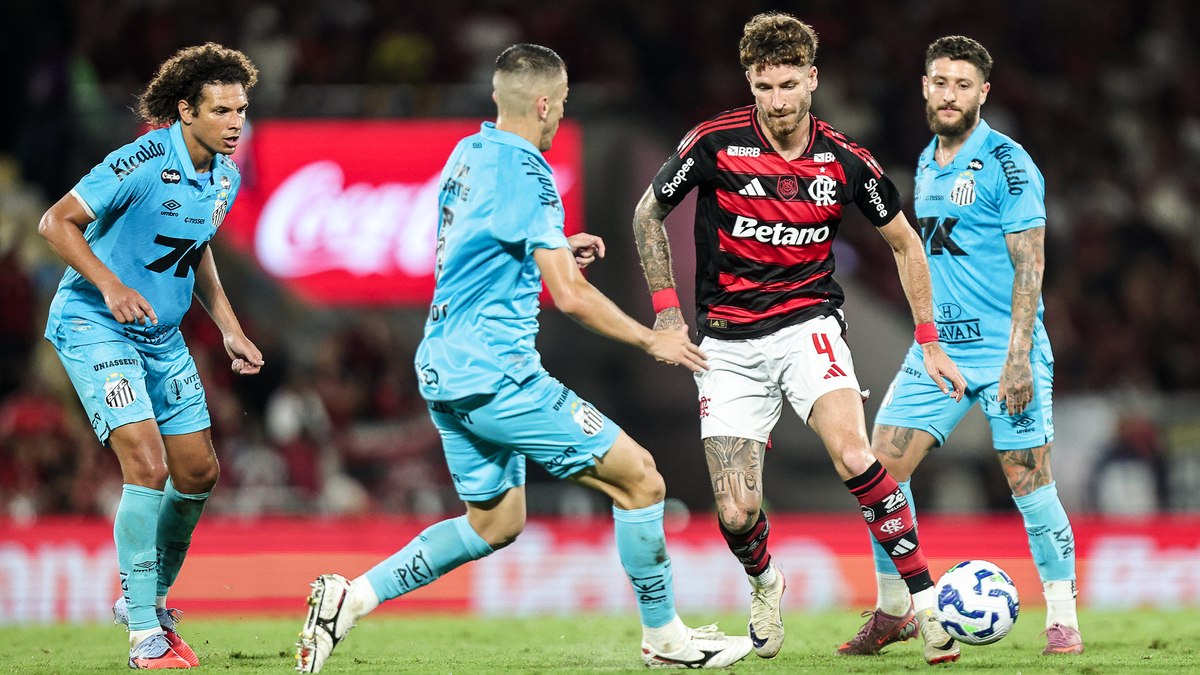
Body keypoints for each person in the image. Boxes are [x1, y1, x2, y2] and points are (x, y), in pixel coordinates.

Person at [294, 43, 753, 673]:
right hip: (498, 376)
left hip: (443, 371)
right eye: (561, 104)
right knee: (641, 479)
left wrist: (557, 245)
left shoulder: (469, 154)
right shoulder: (532, 173)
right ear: (542, 103)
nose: (562, 115)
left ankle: (350, 598)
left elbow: (480, 246)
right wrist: (654, 340)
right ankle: (666, 640)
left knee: (494, 522)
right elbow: (567, 296)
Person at [630, 12, 967, 666]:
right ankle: (765, 582)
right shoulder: (714, 143)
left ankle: (925, 604)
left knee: (853, 452)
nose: (778, 102)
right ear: (749, 82)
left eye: (789, 85)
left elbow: (905, 241)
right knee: (735, 509)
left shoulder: (844, 159)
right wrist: (668, 312)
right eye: (764, 87)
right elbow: (648, 213)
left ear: (813, 79)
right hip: (727, 344)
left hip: (808, 325)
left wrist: (928, 338)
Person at [836, 35, 1084, 657]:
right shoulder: (926, 160)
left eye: (963, 85)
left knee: (1029, 483)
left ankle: (1061, 618)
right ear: (925, 86)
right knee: (879, 471)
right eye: (940, 82)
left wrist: (1020, 356)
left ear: (983, 93)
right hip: (939, 353)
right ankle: (897, 610)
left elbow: (1031, 266)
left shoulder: (1008, 163)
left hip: (1007, 352)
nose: (950, 94)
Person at [38, 43, 262, 668]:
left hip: (161, 335)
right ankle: (144, 638)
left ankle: (149, 600)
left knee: (198, 474)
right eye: (221, 111)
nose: (235, 122)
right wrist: (110, 285)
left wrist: (229, 328)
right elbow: (56, 223)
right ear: (185, 111)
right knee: (147, 464)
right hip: (96, 323)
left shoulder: (225, 174)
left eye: (241, 109)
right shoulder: (139, 159)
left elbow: (197, 250)